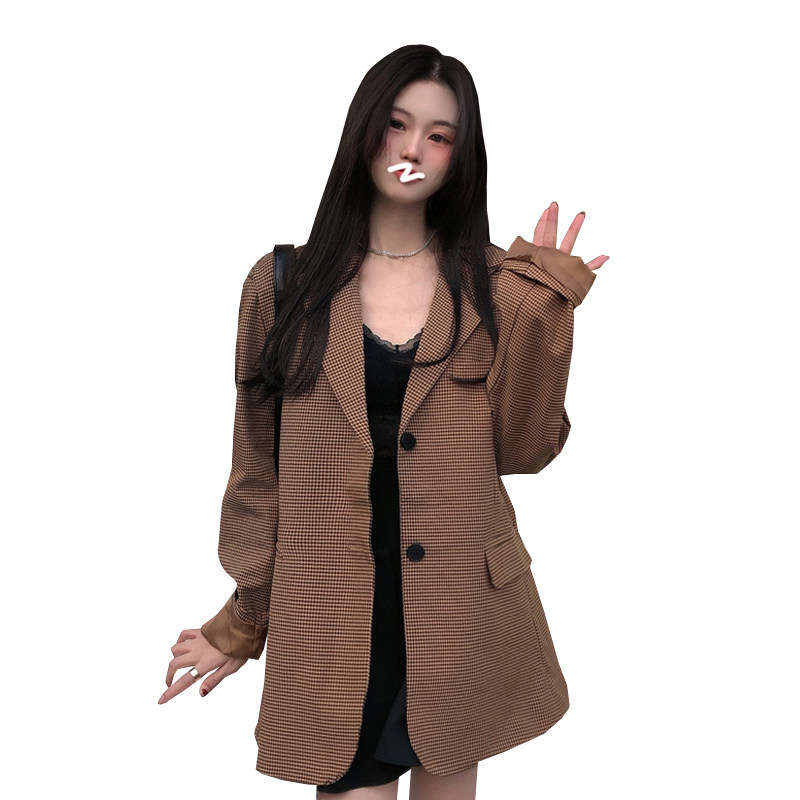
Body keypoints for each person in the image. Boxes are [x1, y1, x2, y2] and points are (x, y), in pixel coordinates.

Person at [159, 44, 608, 800]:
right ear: (364, 129)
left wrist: (543, 310)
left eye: (439, 135)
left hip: (461, 609)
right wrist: (244, 617)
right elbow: (257, 469)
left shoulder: (497, 286)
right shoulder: (283, 284)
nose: (412, 149)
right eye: (397, 124)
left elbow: (523, 450)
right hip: (329, 611)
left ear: (460, 156)